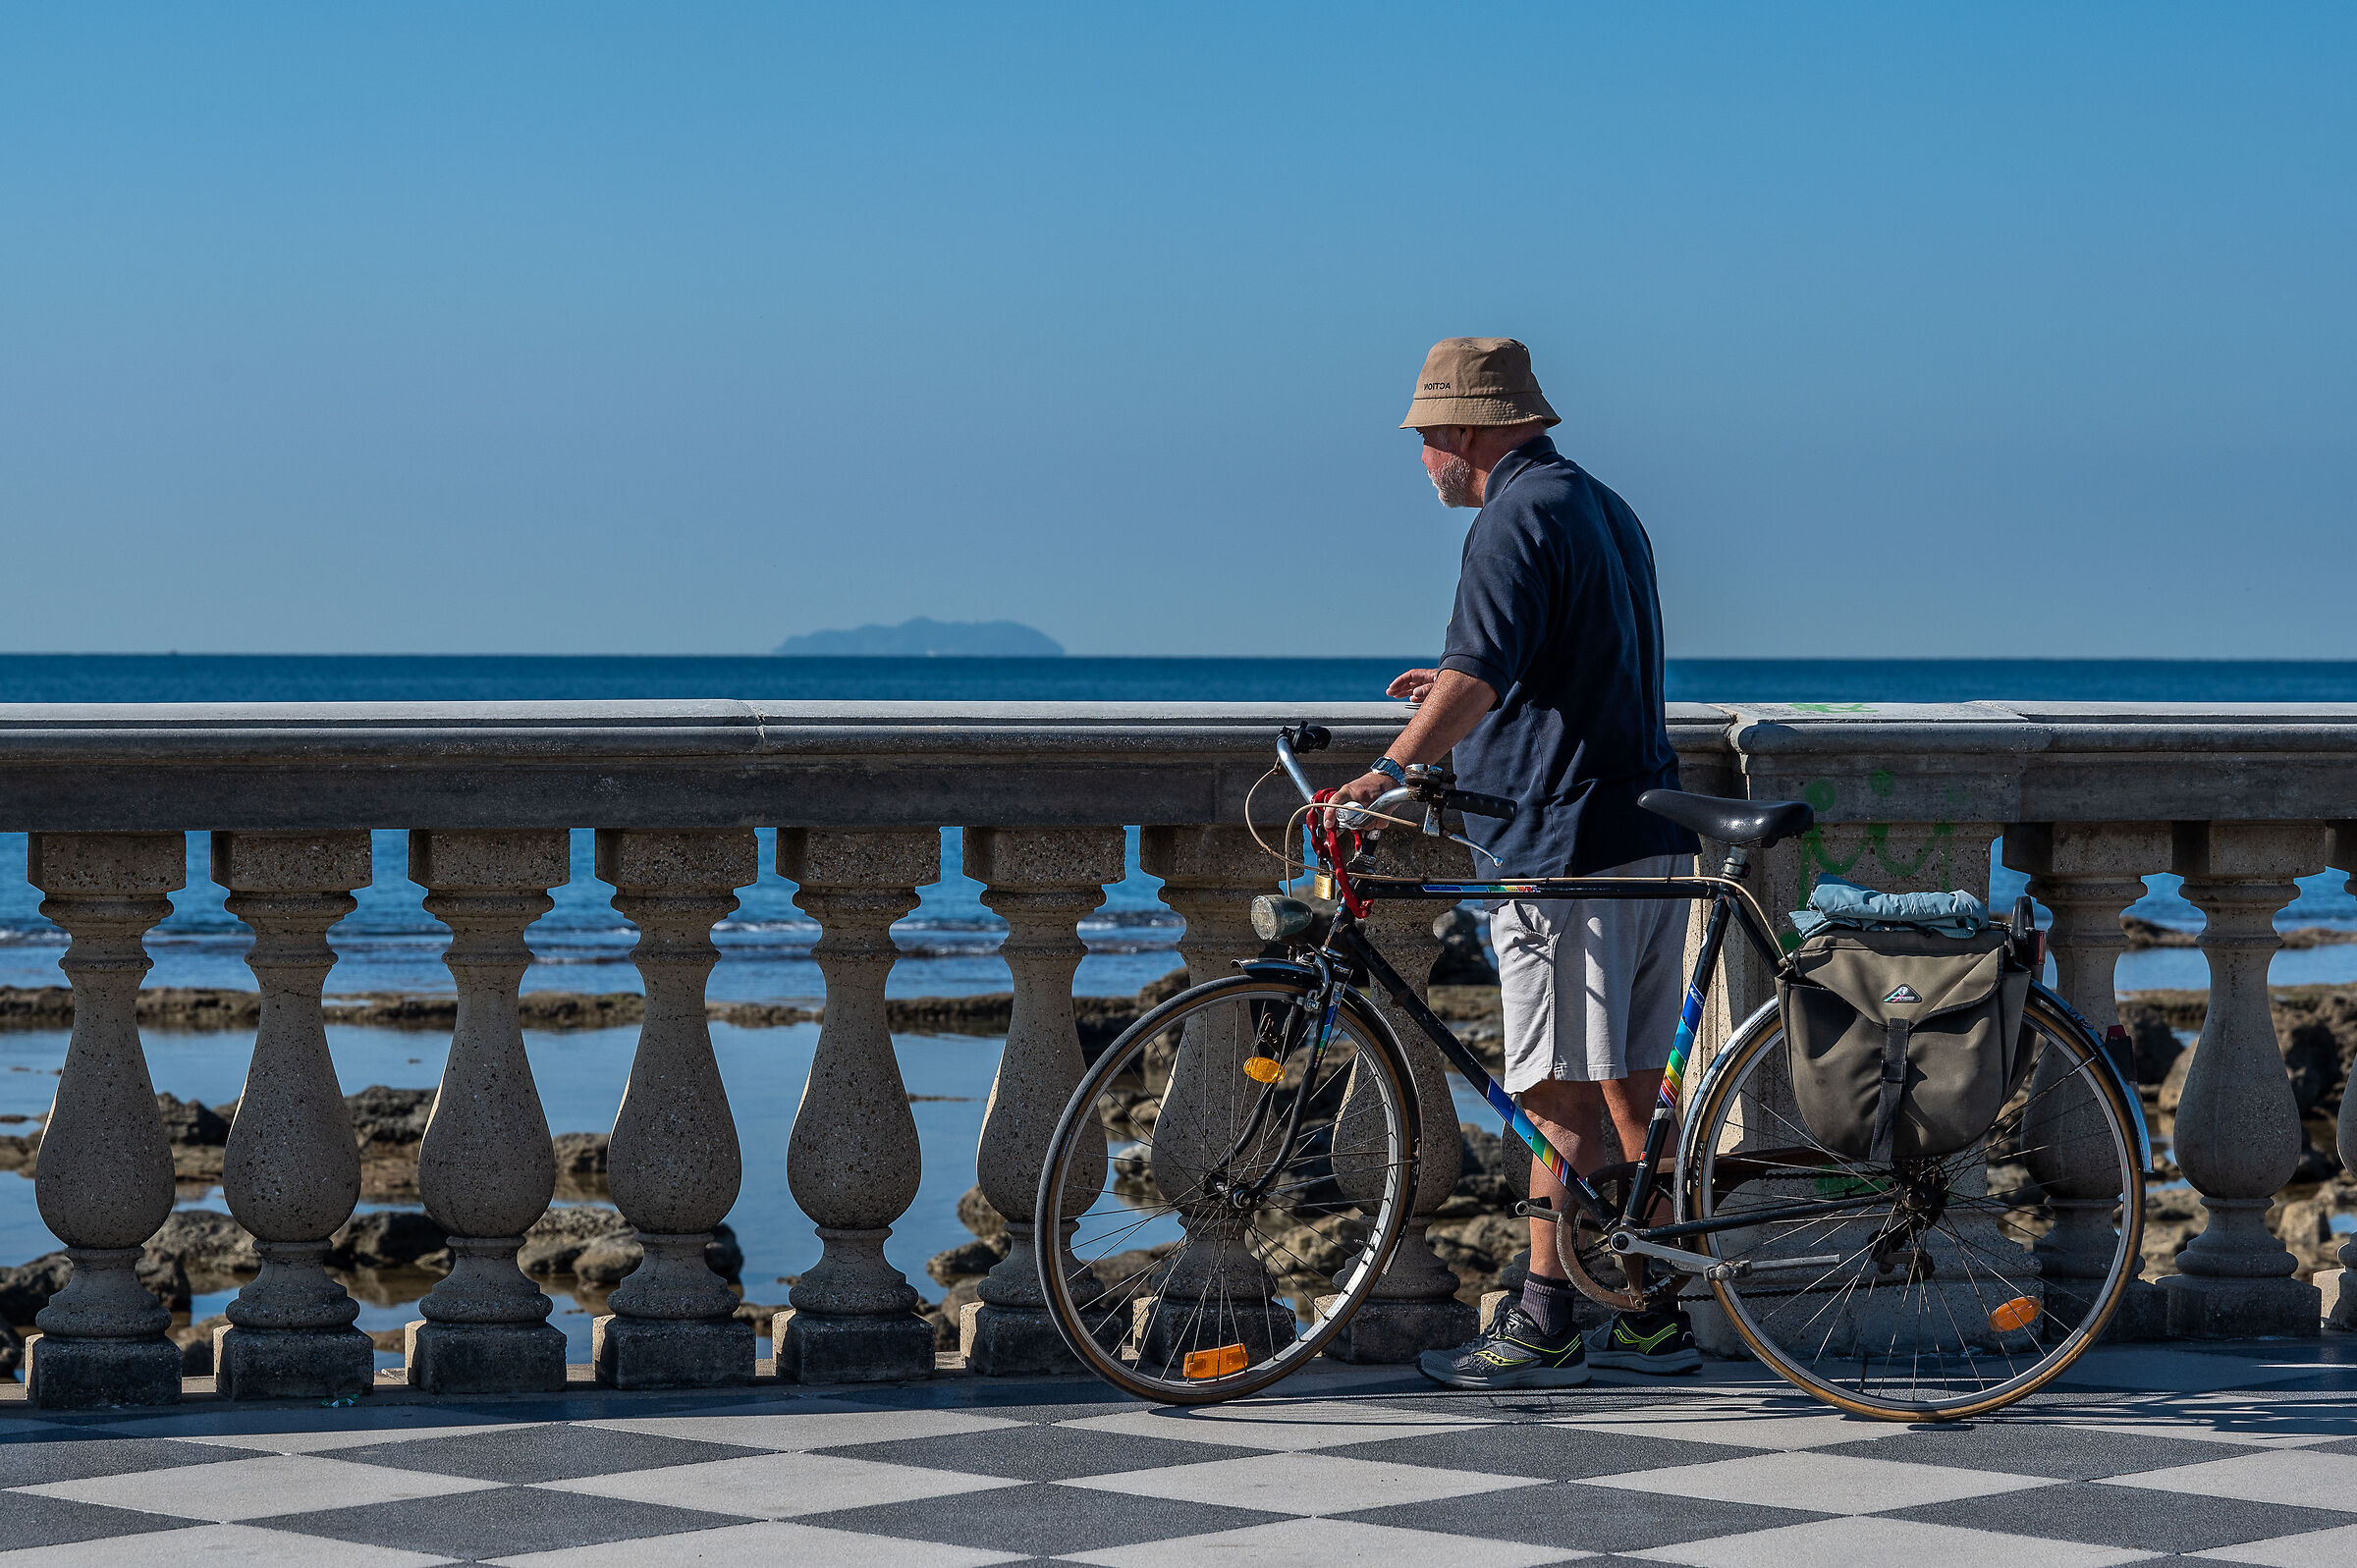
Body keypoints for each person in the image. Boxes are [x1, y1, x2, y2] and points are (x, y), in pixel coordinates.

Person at [1331, 337, 1702, 1387]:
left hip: (1562, 850)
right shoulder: (1601, 505)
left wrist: (1388, 769)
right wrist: (1451, 691)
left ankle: (1542, 1321)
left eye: (1425, 441)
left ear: (1465, 431)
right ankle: (1652, 1316)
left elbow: (1486, 674)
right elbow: (1552, 665)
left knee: (1554, 1093)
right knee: (1636, 1090)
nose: (1421, 462)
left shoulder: (1511, 517)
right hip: (1643, 832)